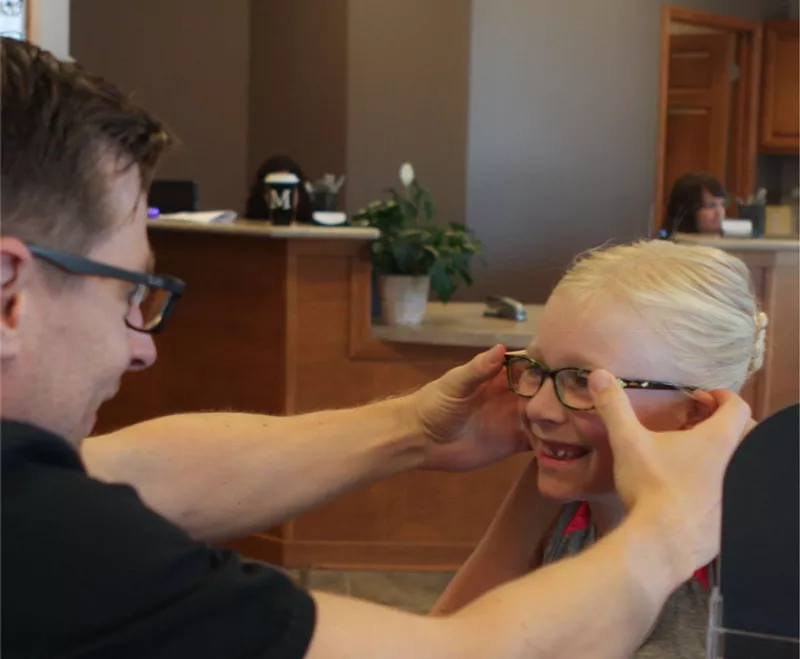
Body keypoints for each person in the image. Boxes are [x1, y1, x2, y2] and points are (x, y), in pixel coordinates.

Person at [1, 38, 752, 659]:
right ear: (9, 292)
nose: (143, 351)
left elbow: (125, 475)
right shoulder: (54, 547)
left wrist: (415, 430)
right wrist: (664, 534)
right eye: (127, 292)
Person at [431, 240, 765, 658]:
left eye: (585, 382)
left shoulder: (757, 548)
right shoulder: (555, 495)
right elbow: (449, 638)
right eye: (537, 369)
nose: (538, 408)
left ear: (695, 413)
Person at [245, 154, 313, 222]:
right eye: (277, 190)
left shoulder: (315, 229)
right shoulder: (246, 228)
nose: (282, 197)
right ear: (264, 193)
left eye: (287, 189)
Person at [662, 171, 727, 235]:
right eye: (711, 206)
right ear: (688, 211)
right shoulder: (666, 244)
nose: (719, 213)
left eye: (722, 204)